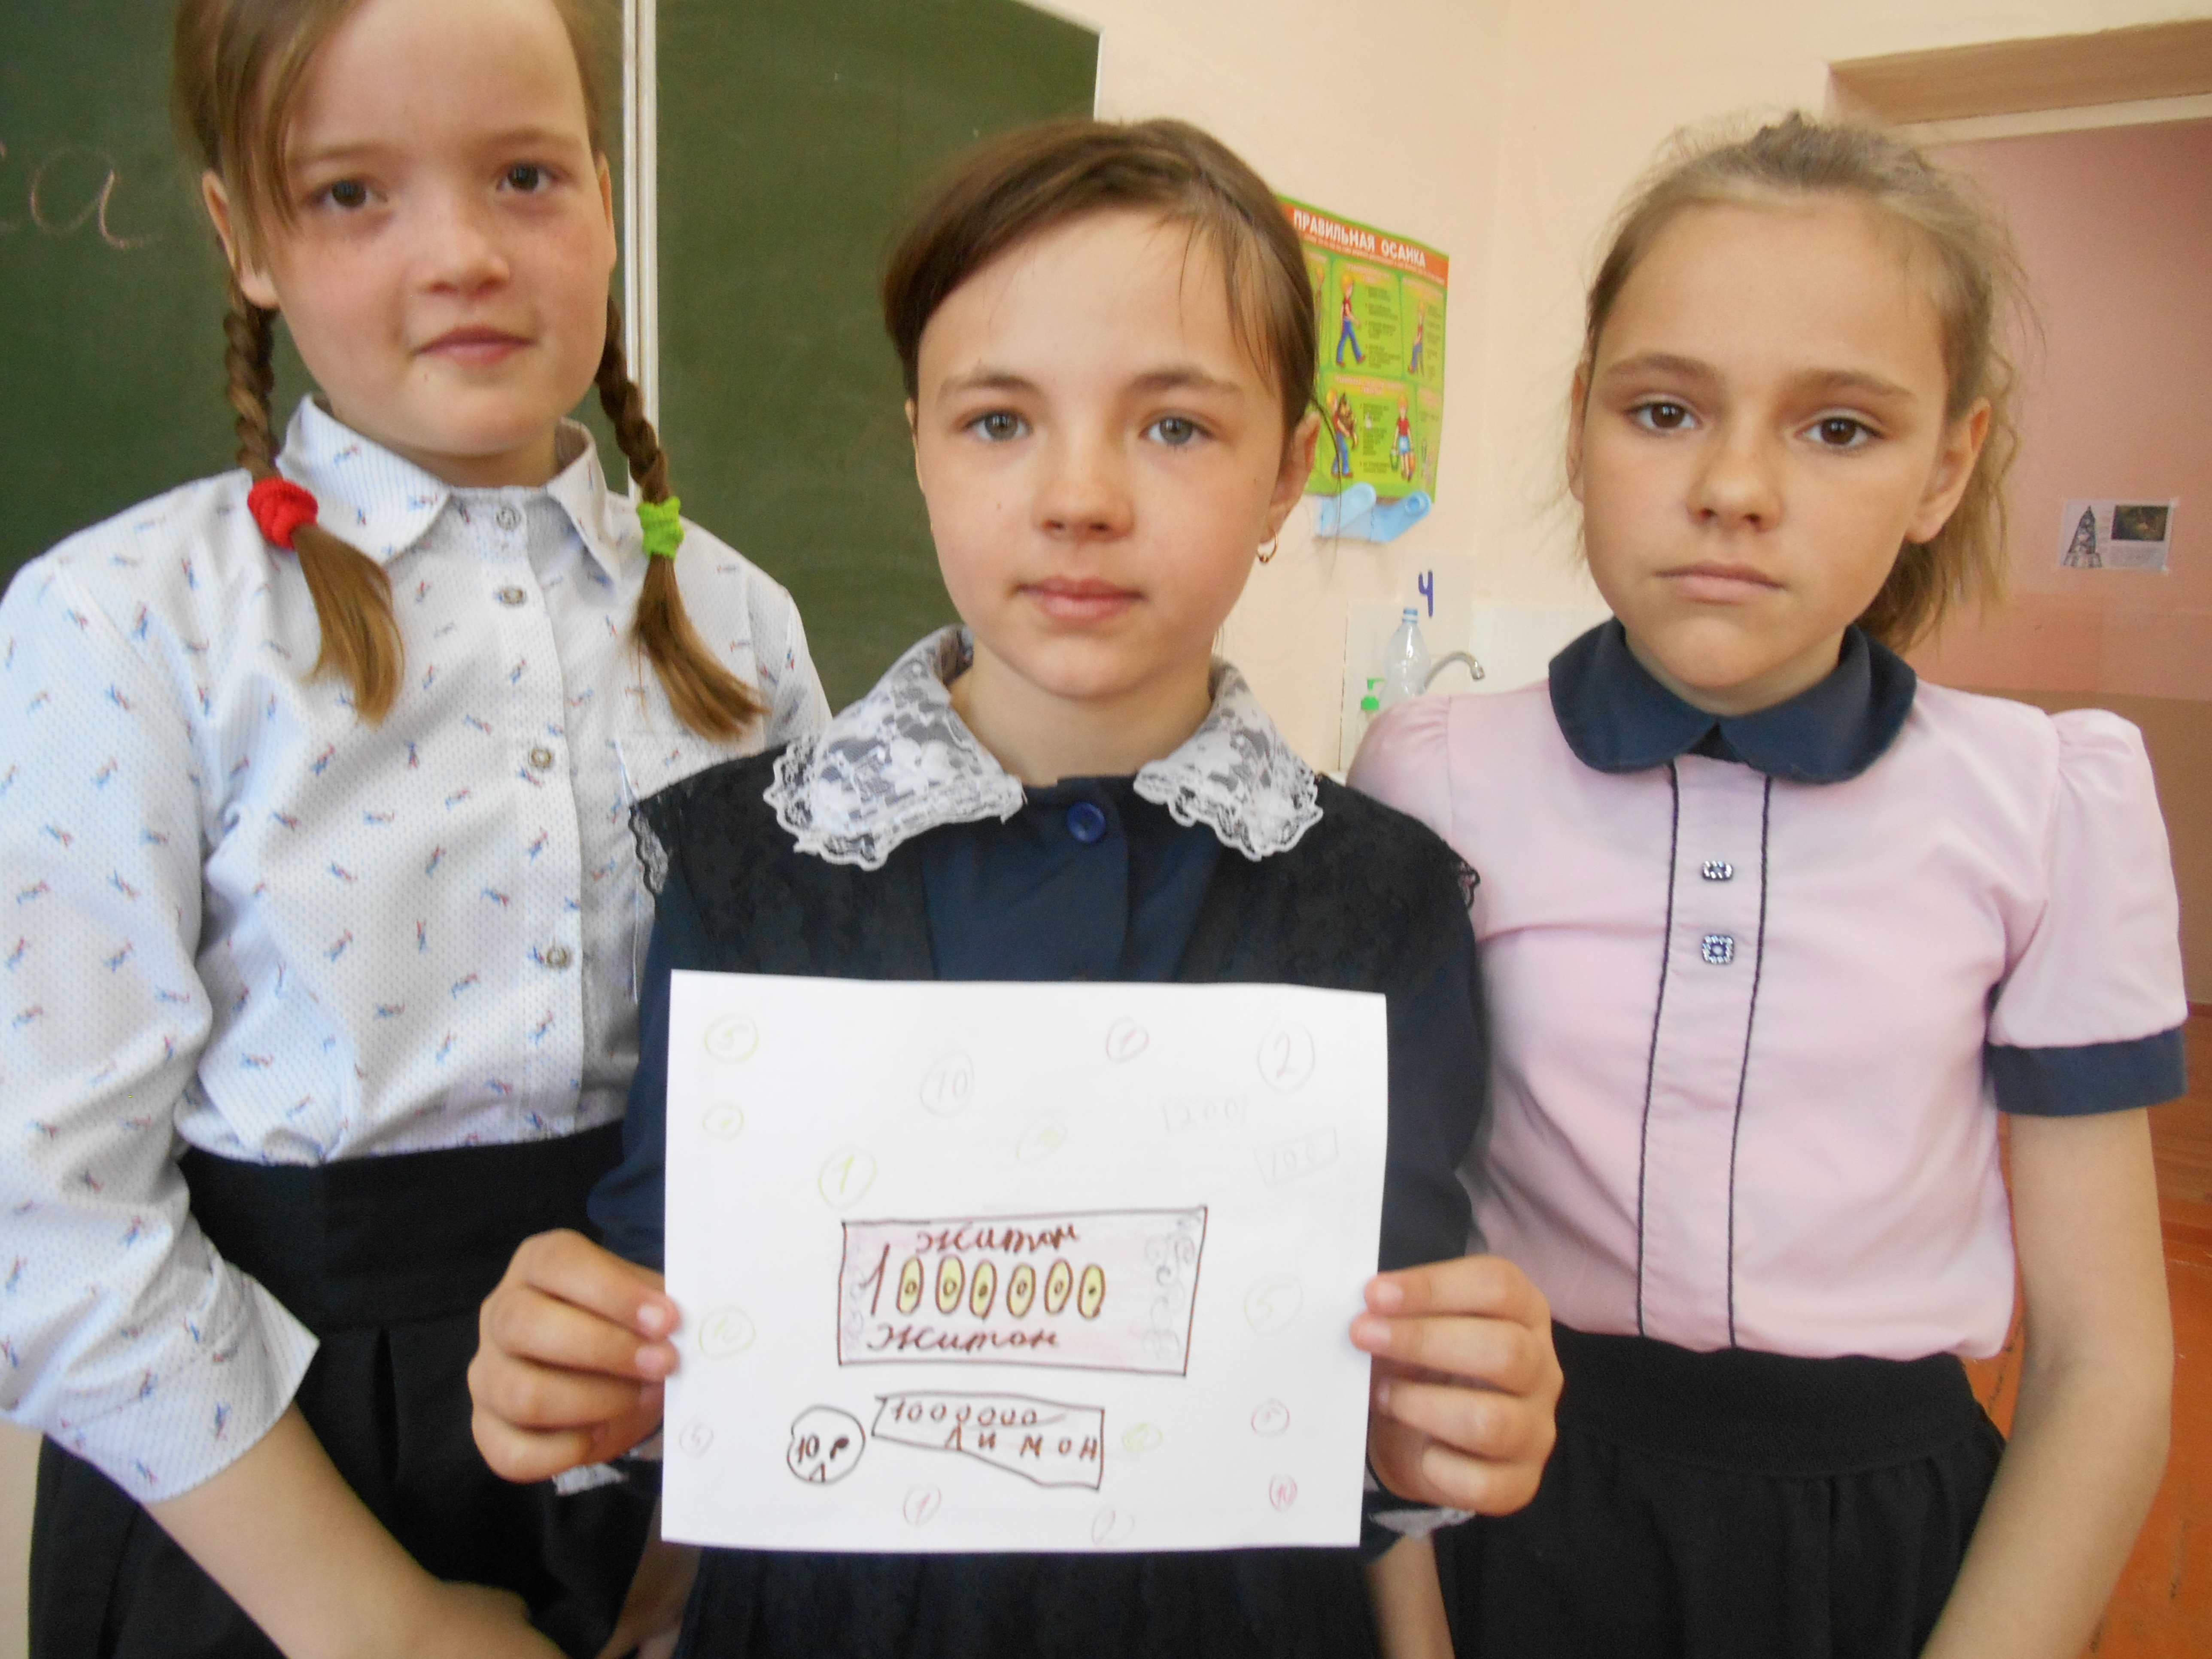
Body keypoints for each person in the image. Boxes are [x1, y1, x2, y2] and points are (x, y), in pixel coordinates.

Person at [468, 117, 1562, 1659]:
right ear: (918, 443)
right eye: (998, 421)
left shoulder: (1379, 903)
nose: (1080, 497)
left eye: (1174, 426)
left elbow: (1380, 1393)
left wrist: (1433, 1423)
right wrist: (584, 1375)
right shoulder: (752, 868)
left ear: (1288, 474)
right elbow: (676, 1337)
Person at [0, 0, 827, 1654]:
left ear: (605, 197)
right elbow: (53, 1213)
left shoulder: (744, 624)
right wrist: (376, 1621)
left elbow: (803, 1104)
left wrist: (690, 1548)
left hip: (661, 1451)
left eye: (526, 176)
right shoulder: (126, 623)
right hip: (268, 1518)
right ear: (243, 236)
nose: (463, 255)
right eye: (350, 194)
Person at [1351, 113, 2184, 1659]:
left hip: (1880, 1547)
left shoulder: (2045, 802)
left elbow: (2108, 1363)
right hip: (1517, 1514)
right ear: (1582, 426)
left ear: (1947, 467)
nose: (1734, 486)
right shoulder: (1433, 772)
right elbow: (1376, 1265)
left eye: (1839, 429)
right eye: (1664, 410)